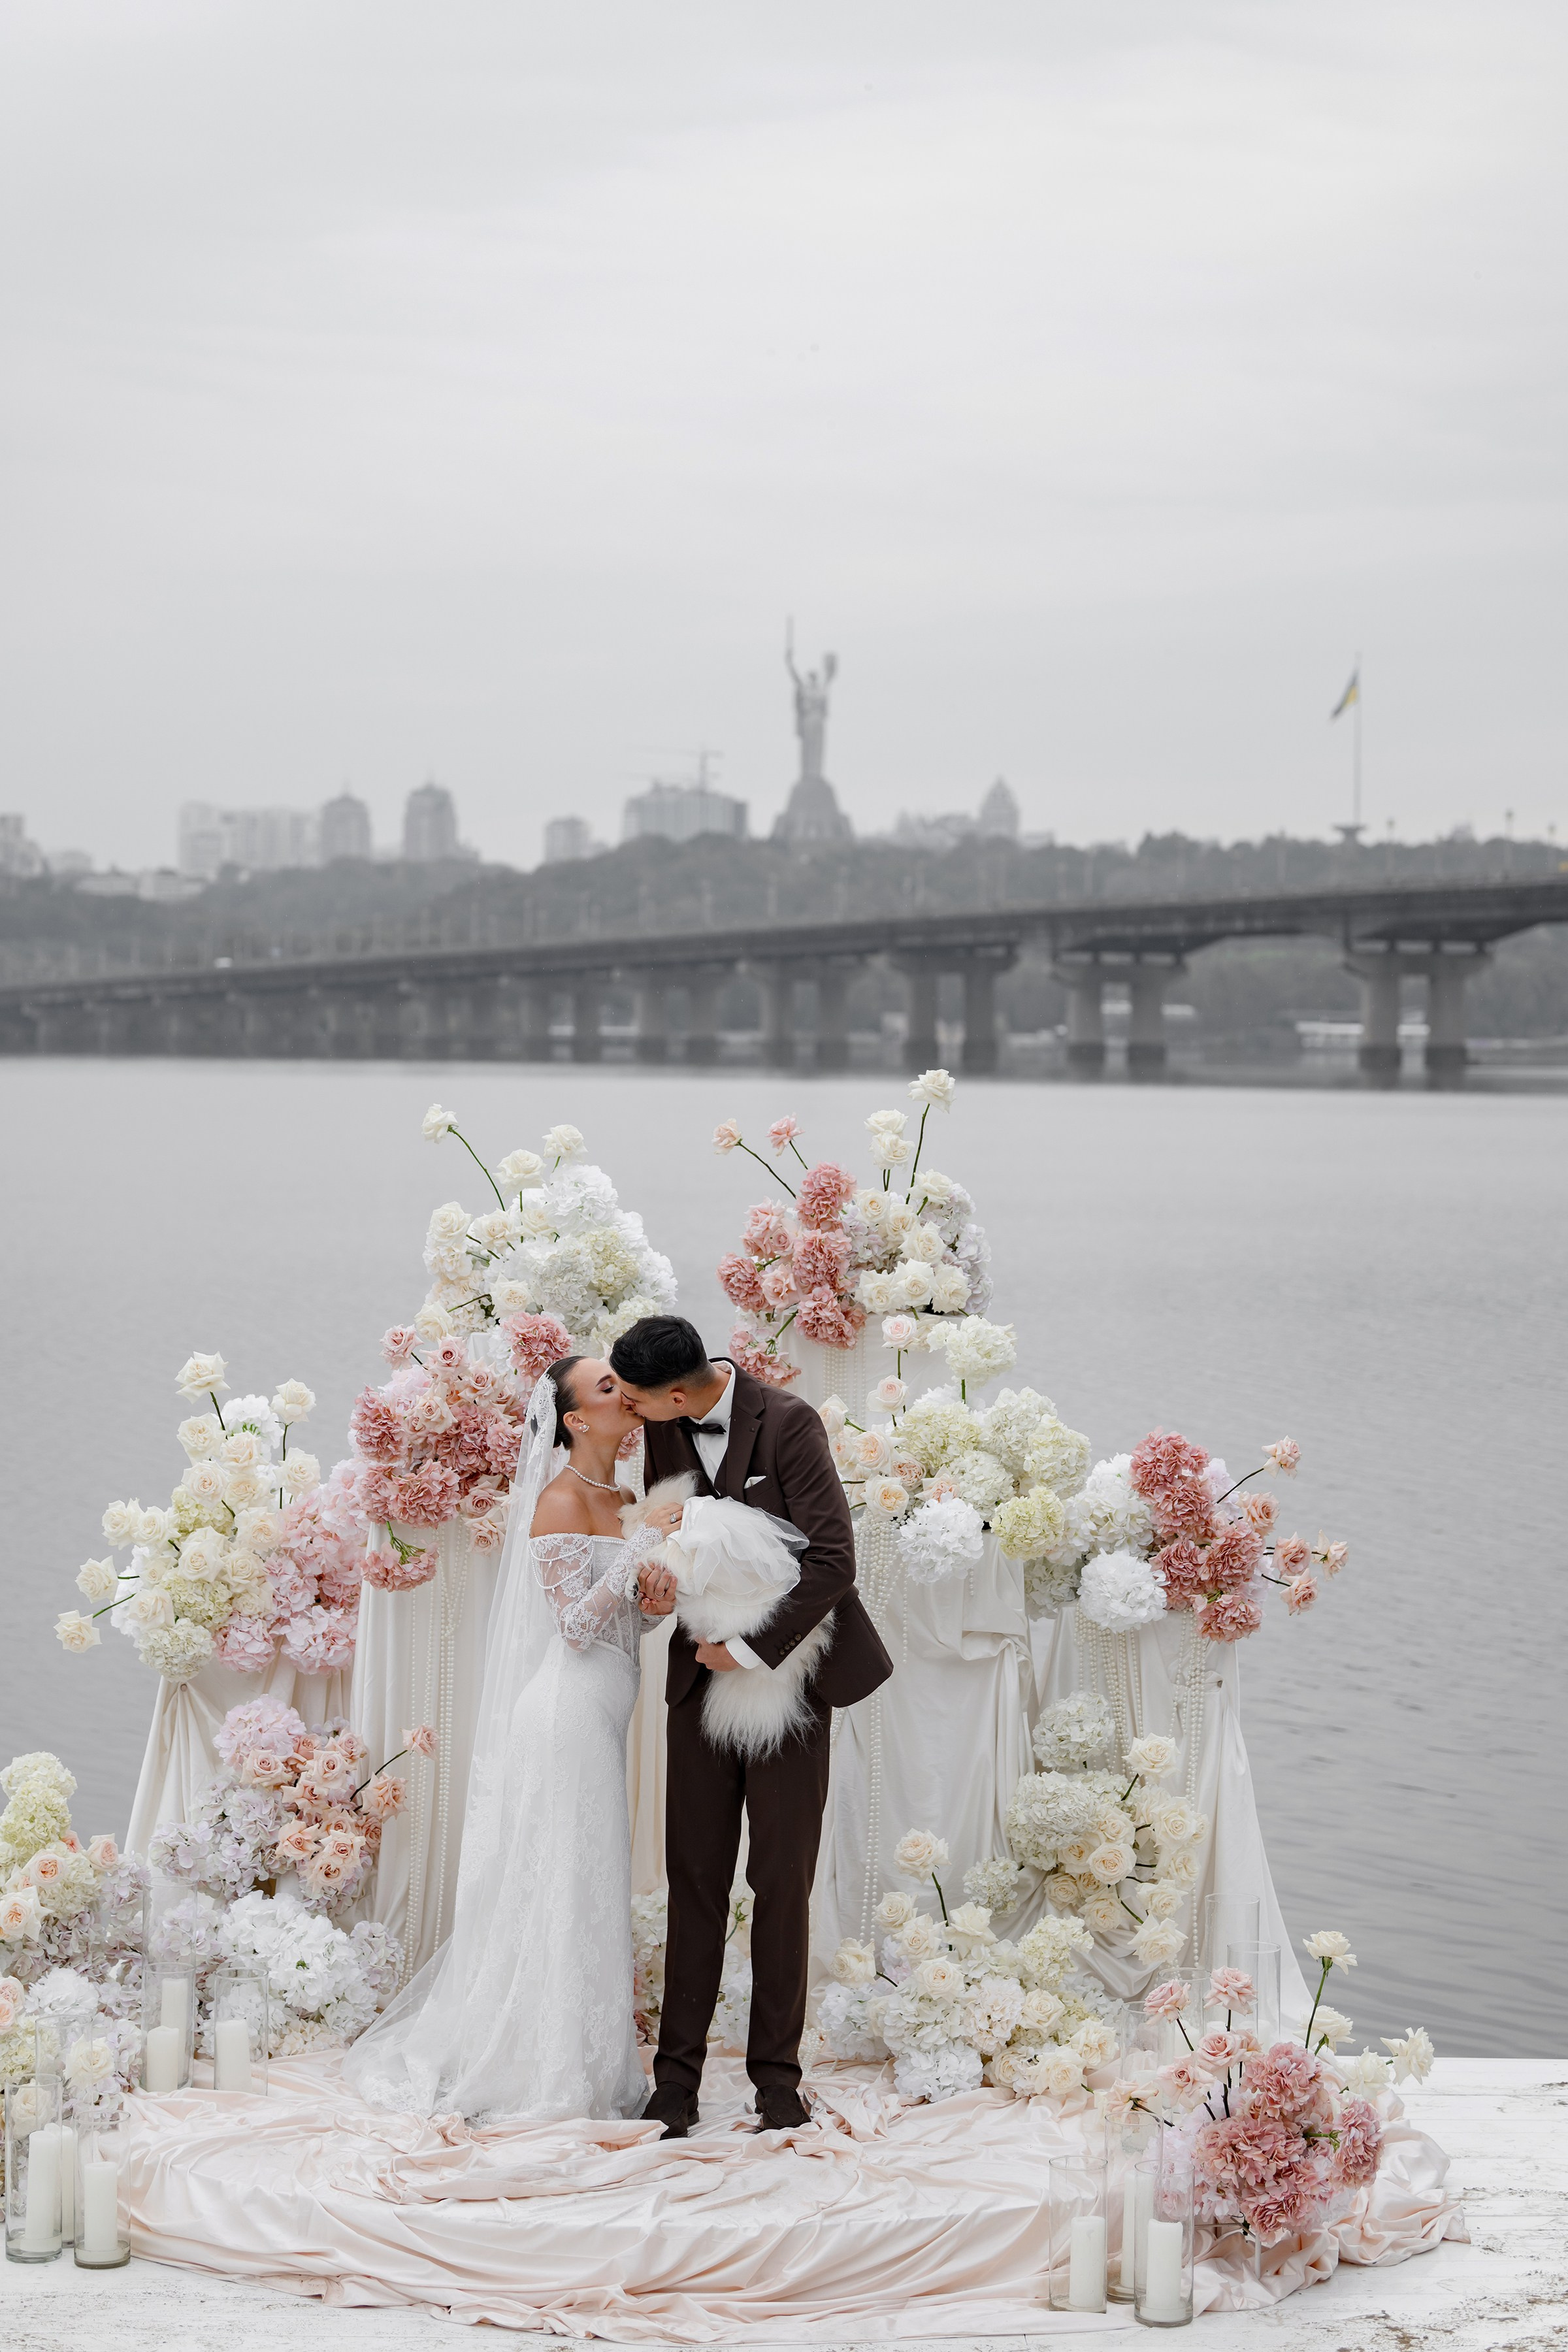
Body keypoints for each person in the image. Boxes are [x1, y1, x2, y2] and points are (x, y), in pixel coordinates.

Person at [344, 1356, 681, 2123]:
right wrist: (640, 1551)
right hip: (563, 1715)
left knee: (587, 1879)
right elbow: (574, 1627)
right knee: (564, 1880)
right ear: (575, 1420)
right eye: (606, 1387)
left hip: (603, 1709)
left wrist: (656, 1606)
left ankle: (583, 2062)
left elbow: (622, 1624)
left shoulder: (625, 1498)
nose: (625, 1393)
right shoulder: (560, 1499)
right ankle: (545, 2074)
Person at [609, 1315, 893, 2137]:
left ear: (675, 1394)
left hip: (790, 1685)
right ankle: (676, 2083)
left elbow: (833, 1560)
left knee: (780, 1883)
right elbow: (673, 1539)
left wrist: (747, 1651)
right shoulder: (664, 1428)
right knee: (694, 1880)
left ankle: (777, 2079)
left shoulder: (791, 1423)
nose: (628, 1411)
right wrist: (657, 1589)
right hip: (696, 1685)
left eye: (635, 1399)